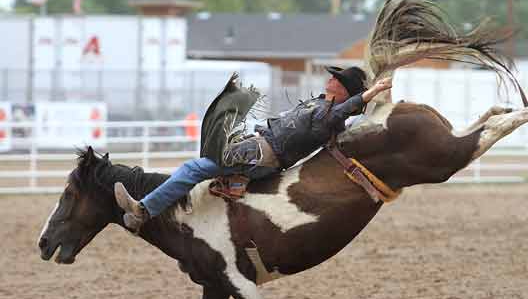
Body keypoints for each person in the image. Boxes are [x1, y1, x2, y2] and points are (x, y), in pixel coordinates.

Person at [115, 67, 393, 232]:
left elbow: (346, 110)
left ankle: (143, 211)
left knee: (194, 168)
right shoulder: (320, 106)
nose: (330, 80)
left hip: (264, 156)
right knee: (207, 156)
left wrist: (372, 92)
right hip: (259, 147)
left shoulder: (330, 116)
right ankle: (234, 182)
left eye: (336, 79)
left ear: (344, 91)